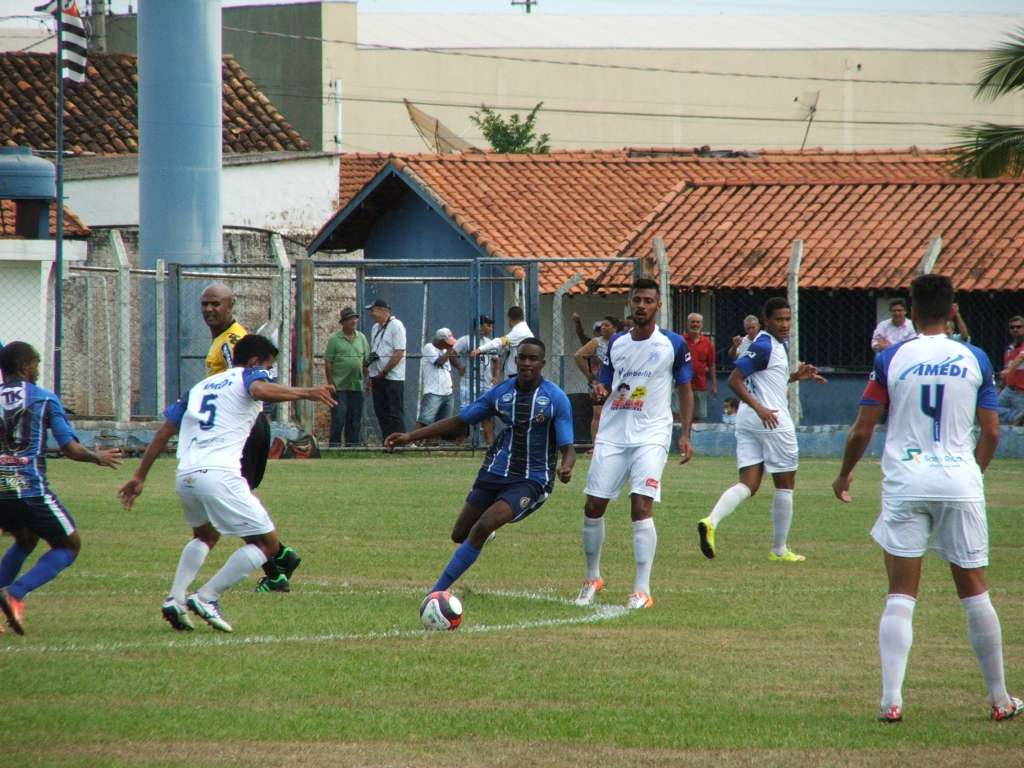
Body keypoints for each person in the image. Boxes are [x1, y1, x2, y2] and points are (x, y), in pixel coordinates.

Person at [831, 273, 1021, 724]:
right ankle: (999, 699)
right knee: (975, 592)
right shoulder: (974, 357)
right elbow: (992, 431)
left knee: (900, 594)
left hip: (906, 482)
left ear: (911, 312)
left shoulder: (891, 358)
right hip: (960, 483)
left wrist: (844, 474)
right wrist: (971, 474)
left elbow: (863, 427)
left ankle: (891, 700)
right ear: (953, 309)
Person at [118, 334, 336, 633]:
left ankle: (175, 598)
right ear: (256, 361)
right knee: (268, 545)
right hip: (219, 473)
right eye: (269, 367)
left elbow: (164, 431)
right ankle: (207, 597)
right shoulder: (249, 375)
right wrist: (307, 392)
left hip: (186, 475)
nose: (269, 374)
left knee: (205, 536)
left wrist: (139, 475)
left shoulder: (199, 387)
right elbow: (259, 388)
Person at [384, 338, 575, 597]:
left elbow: (568, 448)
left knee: (483, 525)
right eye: (522, 358)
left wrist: (566, 467)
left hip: (531, 479)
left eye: (533, 359)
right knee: (459, 534)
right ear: (515, 360)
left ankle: (435, 593)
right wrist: (410, 436)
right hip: (495, 471)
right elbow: (458, 421)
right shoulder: (501, 393)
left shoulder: (555, 398)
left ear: (542, 363)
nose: (527, 363)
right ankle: (483, 534)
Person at [575, 278, 694, 611]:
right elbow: (605, 381)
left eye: (648, 300)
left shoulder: (673, 344)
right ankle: (592, 577)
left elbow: (685, 390)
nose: (641, 305)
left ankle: (642, 589)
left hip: (652, 435)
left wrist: (685, 433)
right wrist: (599, 389)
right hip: (613, 434)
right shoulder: (616, 343)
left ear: (657, 306)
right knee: (593, 507)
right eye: (637, 300)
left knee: (641, 506)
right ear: (630, 304)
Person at [0, 341, 122, 635]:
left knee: (26, 538)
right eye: (37, 365)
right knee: (69, 544)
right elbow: (69, 447)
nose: (38, 371)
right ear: (26, 365)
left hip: (1, 489)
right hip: (30, 488)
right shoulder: (43, 398)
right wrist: (97, 457)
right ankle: (15, 592)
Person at [697, 297, 826, 563]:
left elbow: (766, 379)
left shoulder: (774, 345)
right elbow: (734, 379)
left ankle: (711, 521)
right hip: (771, 420)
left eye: (788, 319)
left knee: (749, 483)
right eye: (779, 319)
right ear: (766, 320)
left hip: (748, 422)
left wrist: (795, 377)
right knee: (786, 484)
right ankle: (780, 550)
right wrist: (760, 408)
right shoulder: (765, 344)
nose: (784, 324)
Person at [201, 284, 297, 592]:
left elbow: (242, 384)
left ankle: (277, 567)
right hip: (245, 427)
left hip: (243, 428)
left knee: (233, 501)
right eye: (205, 304)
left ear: (231, 305)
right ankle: (279, 558)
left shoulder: (232, 341)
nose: (209, 310)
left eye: (216, 304)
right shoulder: (224, 339)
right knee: (237, 499)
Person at [324, 306, 370, 447]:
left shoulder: (361, 338)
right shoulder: (335, 339)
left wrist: (367, 380)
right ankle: (335, 445)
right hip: (339, 385)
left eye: (354, 318)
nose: (353, 321)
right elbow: (328, 362)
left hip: (356, 384)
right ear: (343, 322)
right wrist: (331, 383)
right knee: (339, 416)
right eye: (350, 319)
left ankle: (352, 445)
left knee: (355, 417)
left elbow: (366, 361)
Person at [365, 298, 408, 440]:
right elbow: (375, 351)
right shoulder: (375, 328)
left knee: (394, 412)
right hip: (377, 376)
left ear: (383, 311)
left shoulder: (396, 326)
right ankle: (386, 441)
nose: (371, 313)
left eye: (373, 310)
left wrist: (385, 371)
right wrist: (371, 373)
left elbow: (399, 352)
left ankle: (399, 442)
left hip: (392, 377)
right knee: (381, 411)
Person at [454, 315, 498, 444]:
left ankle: (490, 444)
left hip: (486, 382)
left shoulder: (489, 342)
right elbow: (453, 354)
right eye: (488, 325)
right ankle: (459, 443)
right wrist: (459, 366)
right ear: (479, 326)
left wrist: (496, 376)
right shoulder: (465, 340)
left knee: (487, 414)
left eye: (491, 325)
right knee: (464, 413)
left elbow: (496, 360)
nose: (490, 328)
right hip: (468, 383)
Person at [573, 316, 618, 444]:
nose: (603, 328)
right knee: (598, 413)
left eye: (606, 325)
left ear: (615, 328)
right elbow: (578, 356)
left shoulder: (621, 341)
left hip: (617, 383)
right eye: (601, 326)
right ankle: (596, 445)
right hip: (600, 383)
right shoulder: (596, 342)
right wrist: (590, 376)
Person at [417, 327, 463, 430]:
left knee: (442, 423)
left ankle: (434, 444)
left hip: (447, 392)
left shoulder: (445, 351)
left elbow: (449, 368)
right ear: (440, 340)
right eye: (447, 343)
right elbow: (439, 362)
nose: (449, 345)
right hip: (433, 391)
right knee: (425, 420)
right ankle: (413, 442)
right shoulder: (429, 347)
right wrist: (450, 350)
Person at [471, 306, 533, 380]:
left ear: (510, 319)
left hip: (519, 375)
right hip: (518, 374)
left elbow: (499, 341)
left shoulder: (520, 331)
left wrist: (479, 349)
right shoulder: (521, 330)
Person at [684, 312, 717, 423]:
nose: (695, 324)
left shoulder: (707, 343)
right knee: (680, 416)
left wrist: (714, 385)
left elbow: (711, 365)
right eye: (692, 322)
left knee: (697, 417)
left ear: (701, 325)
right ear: (688, 324)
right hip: (682, 384)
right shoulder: (681, 341)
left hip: (700, 384)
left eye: (698, 322)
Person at [996, 315, 1024, 425]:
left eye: (1018, 327)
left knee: (1019, 429)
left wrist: (1008, 371)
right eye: (1012, 328)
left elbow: (1021, 357)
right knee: (992, 411)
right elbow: (1006, 370)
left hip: (1021, 392)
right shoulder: (1010, 348)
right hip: (1008, 390)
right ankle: (1016, 416)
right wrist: (1001, 387)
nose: (1015, 329)